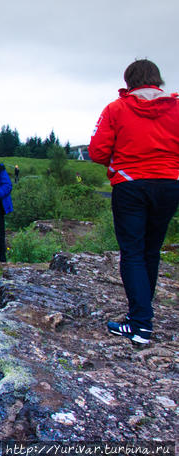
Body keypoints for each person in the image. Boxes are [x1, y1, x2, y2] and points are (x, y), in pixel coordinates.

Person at [89, 59, 179, 346]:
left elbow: (97, 151)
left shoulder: (116, 109)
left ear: (129, 82)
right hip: (169, 184)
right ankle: (140, 317)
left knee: (132, 253)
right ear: (157, 80)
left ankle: (140, 324)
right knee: (150, 251)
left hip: (130, 184)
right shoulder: (177, 108)